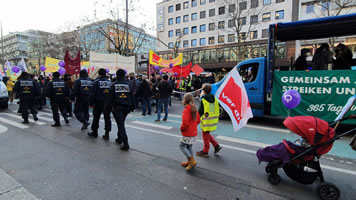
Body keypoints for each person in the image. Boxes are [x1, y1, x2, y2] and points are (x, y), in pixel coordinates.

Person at [106, 69, 134, 150]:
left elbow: (109, 98)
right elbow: (132, 96)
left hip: (117, 107)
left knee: (120, 124)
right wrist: (132, 106)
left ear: (117, 75)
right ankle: (119, 138)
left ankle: (125, 143)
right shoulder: (128, 84)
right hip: (126, 107)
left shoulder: (113, 85)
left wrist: (107, 109)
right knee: (121, 123)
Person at [196, 83, 222, 157]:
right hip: (212, 120)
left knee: (205, 135)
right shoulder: (215, 99)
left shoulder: (204, 100)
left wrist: (195, 119)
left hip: (206, 121)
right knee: (207, 134)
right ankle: (216, 146)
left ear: (203, 91)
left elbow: (200, 112)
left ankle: (205, 151)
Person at [87, 68, 112, 139]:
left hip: (98, 103)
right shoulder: (110, 83)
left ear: (99, 74)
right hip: (108, 103)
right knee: (107, 118)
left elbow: (92, 94)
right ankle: (107, 134)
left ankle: (95, 132)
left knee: (96, 118)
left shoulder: (96, 82)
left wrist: (90, 103)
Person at [179, 93, 200, 171]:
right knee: (189, 146)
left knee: (181, 146)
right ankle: (190, 161)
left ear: (186, 101)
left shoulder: (186, 110)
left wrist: (182, 129)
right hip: (193, 132)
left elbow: (185, 123)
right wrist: (193, 126)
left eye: (183, 99)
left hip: (187, 133)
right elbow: (198, 120)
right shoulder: (194, 108)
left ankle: (191, 161)